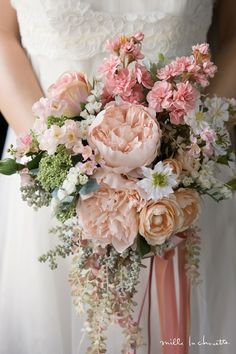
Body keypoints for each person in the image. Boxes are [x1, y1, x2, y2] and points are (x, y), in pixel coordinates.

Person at [0, 0, 235, 353]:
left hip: (181, 181)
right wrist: (57, 161)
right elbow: (3, 34)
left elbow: (232, 37)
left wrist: (187, 154)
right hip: (48, 180)